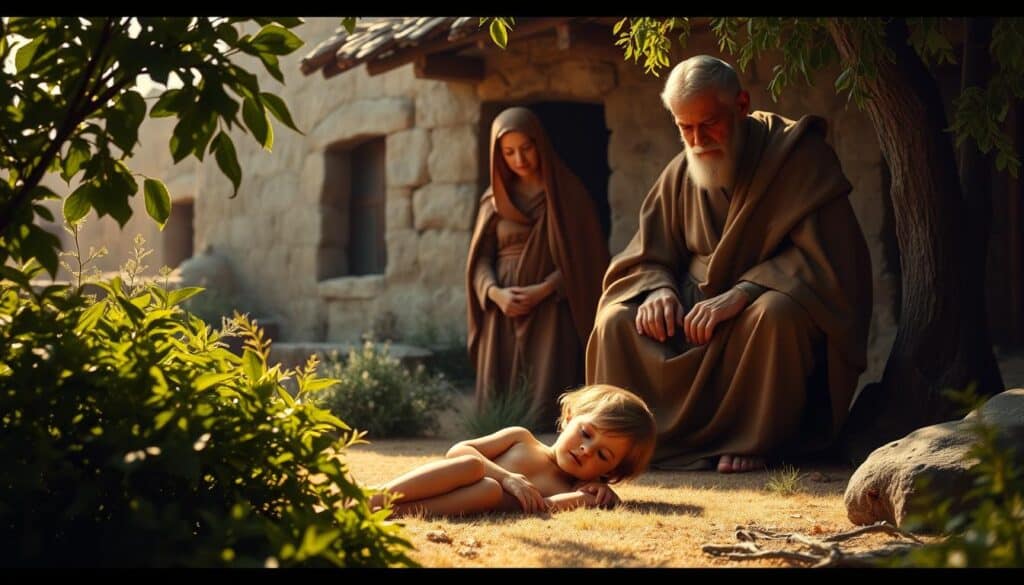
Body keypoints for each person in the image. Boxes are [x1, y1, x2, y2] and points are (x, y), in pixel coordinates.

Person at [586, 55, 873, 474]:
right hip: (690, 315)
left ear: (741, 105)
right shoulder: (680, 171)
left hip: (754, 313)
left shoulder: (799, 158)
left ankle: (751, 439)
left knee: (776, 314)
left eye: (709, 124)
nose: (697, 140)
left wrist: (744, 293)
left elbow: (830, 259)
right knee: (615, 321)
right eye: (685, 128)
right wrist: (658, 289)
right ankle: (626, 440)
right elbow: (647, 254)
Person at [466, 107, 610, 429]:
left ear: (540, 144)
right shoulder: (493, 201)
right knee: (501, 412)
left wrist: (544, 289)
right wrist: (495, 293)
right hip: (502, 313)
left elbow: (587, 260)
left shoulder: (568, 196)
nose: (519, 159)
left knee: (548, 401)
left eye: (526, 148)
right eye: (509, 152)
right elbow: (480, 261)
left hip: (552, 312)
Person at [367, 384, 656, 517]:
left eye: (603, 455)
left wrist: (589, 497)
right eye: (586, 433)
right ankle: (372, 498)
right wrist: (507, 478)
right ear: (569, 417)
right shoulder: (521, 438)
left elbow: (545, 508)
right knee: (473, 466)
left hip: (467, 501)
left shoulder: (571, 488)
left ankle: (391, 513)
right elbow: (458, 450)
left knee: (489, 491)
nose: (586, 449)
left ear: (612, 471)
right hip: (447, 478)